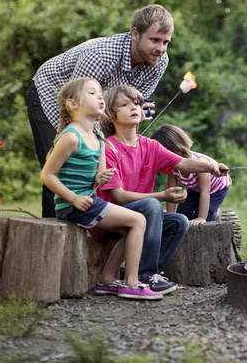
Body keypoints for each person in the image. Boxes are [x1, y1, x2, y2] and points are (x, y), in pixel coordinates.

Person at [28, 4, 173, 218]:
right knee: (63, 168)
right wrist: (99, 143)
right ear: (135, 33)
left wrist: (135, 113)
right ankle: (55, 232)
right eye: (154, 40)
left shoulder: (159, 62)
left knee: (98, 167)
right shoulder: (100, 56)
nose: (160, 49)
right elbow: (80, 108)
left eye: (165, 42)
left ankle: (94, 226)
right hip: (53, 92)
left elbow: (130, 106)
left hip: (96, 105)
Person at [97, 85, 229, 293]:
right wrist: (161, 196)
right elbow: (119, 197)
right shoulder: (108, 148)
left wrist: (210, 166)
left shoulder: (150, 145)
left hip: (140, 215)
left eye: (137, 104)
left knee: (179, 221)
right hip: (112, 215)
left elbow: (184, 163)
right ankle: (145, 276)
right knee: (152, 205)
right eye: (124, 105)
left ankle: (148, 272)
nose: (133, 108)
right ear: (111, 116)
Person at [40, 77, 162, 300]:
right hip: (72, 205)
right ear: (72, 104)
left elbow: (97, 177)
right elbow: (47, 175)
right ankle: (131, 283)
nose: (100, 97)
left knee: (131, 228)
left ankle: (107, 280)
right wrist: (74, 198)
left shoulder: (98, 137)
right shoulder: (70, 136)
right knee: (138, 220)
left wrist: (101, 176)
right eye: (92, 93)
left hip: (88, 202)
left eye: (100, 93)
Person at [151, 124, 233, 225]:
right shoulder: (172, 167)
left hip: (216, 189)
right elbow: (171, 192)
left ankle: (216, 214)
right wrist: (171, 216)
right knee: (182, 213)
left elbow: (205, 191)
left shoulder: (199, 163)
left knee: (203, 217)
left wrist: (201, 217)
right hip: (195, 189)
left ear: (177, 150)